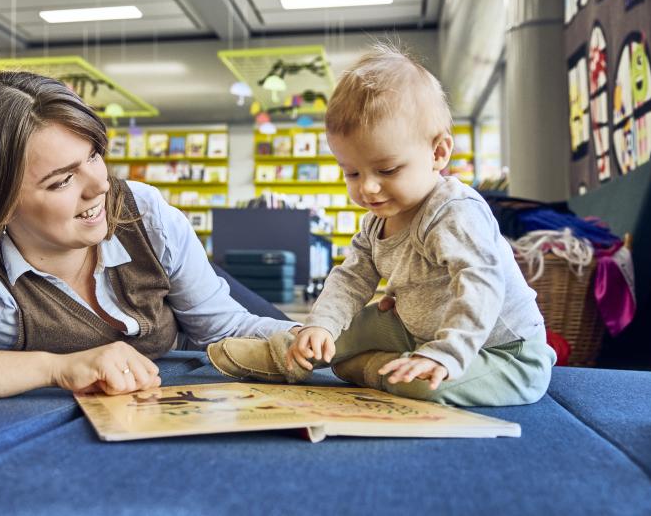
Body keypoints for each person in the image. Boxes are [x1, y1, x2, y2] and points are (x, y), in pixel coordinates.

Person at [0, 71, 297, 402]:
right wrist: (56, 368)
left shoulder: (143, 211)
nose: (99, 186)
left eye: (94, 156)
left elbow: (224, 327)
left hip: (202, 282)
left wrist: (311, 338)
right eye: (61, 180)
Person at [208, 43, 556, 406]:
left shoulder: (455, 211)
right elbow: (350, 279)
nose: (368, 187)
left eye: (387, 170)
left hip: (497, 351)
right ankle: (286, 354)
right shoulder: (376, 221)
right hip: (412, 329)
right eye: (352, 172)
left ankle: (372, 369)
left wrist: (446, 353)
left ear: (438, 153)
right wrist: (321, 326)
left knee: (422, 386)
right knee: (348, 327)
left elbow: (480, 286)